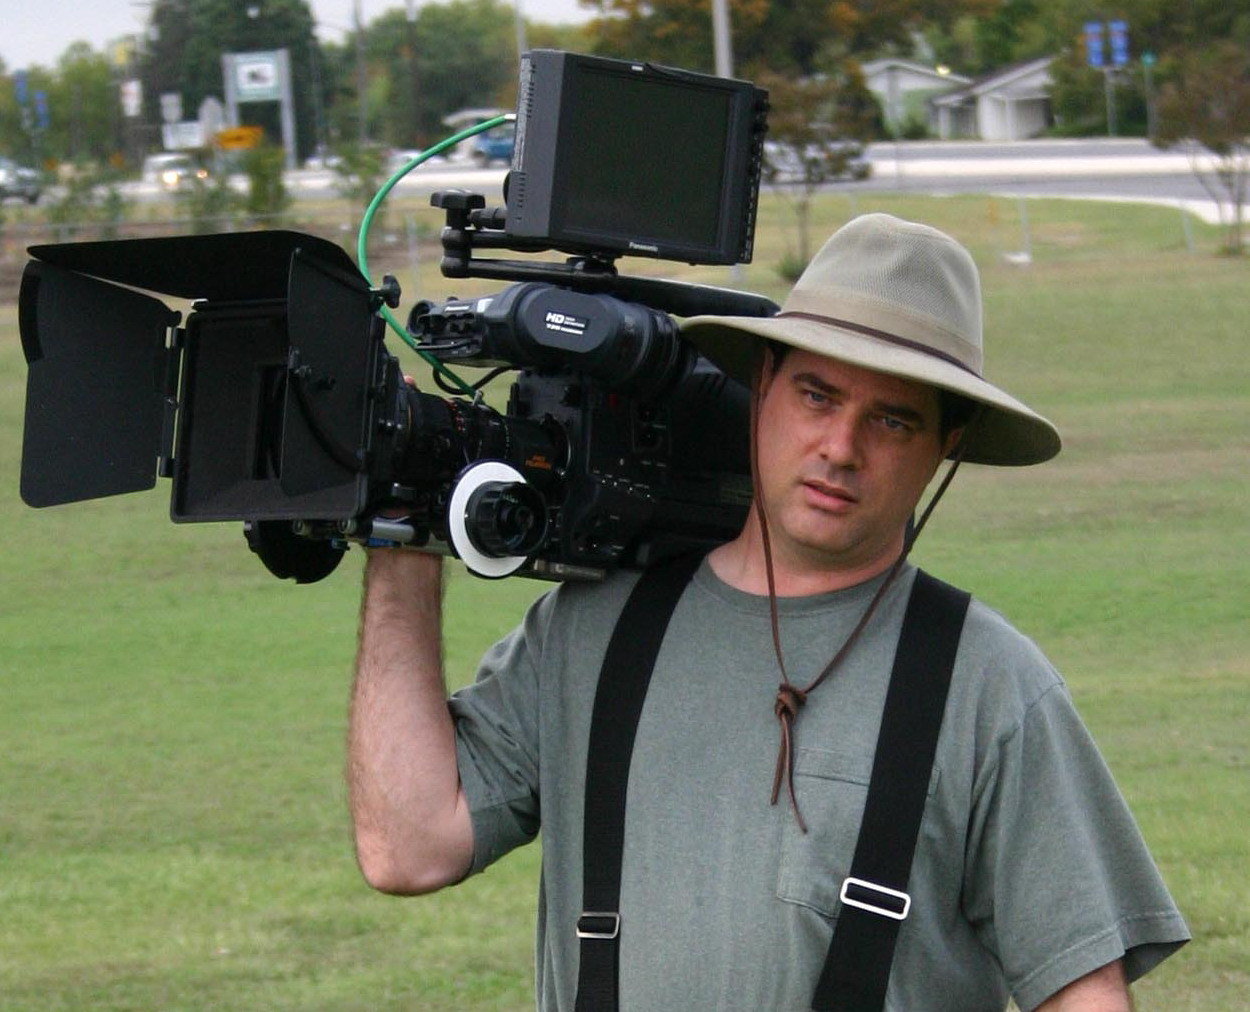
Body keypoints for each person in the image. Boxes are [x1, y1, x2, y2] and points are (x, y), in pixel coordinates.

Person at [348, 214, 1189, 1010]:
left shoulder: (988, 686)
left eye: (892, 420)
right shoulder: (596, 629)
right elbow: (408, 845)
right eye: (818, 396)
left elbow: (1083, 988)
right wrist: (403, 532)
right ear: (762, 390)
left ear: (948, 447)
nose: (840, 447)